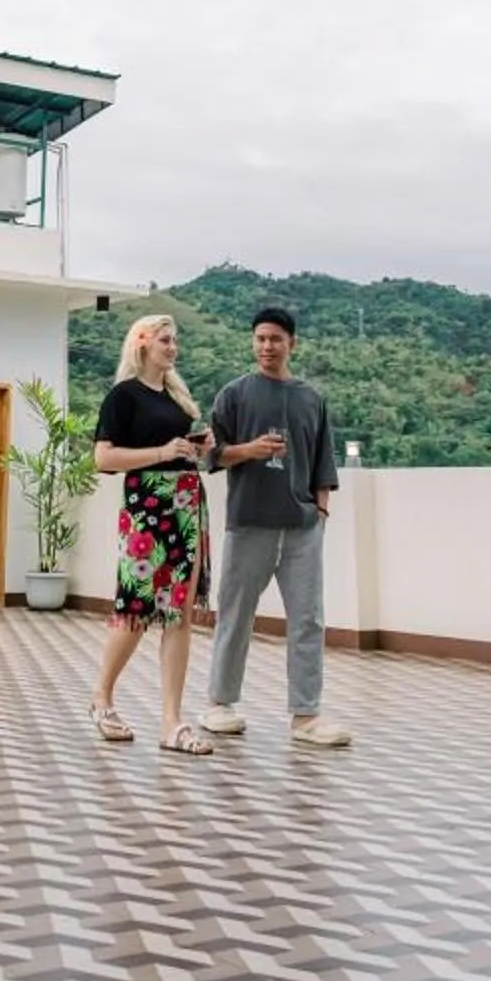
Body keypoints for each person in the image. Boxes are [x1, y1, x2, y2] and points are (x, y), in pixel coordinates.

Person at [200, 305, 351, 748]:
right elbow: (213, 455)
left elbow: (324, 461)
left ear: (292, 344)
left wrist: (320, 513)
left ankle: (306, 716)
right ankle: (219, 703)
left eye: (276, 339)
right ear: (253, 342)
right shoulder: (234, 394)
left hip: (303, 526)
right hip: (248, 522)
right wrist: (250, 449)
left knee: (308, 619)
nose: (267, 347)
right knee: (235, 613)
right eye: (260, 339)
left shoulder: (311, 398)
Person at [89, 314, 217, 756]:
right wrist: (163, 452)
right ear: (142, 343)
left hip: (186, 503)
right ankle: (101, 697)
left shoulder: (178, 398)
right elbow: (103, 458)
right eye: (165, 339)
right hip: (146, 508)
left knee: (179, 612)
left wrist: (197, 447)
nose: (173, 347)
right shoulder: (122, 397)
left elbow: (181, 450)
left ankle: (171, 721)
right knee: (138, 608)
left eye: (175, 340)